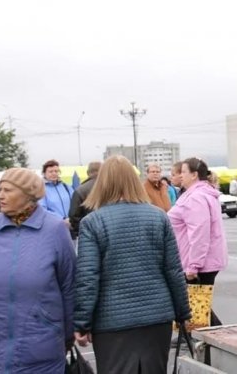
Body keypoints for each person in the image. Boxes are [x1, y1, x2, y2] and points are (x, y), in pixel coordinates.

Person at [73, 156, 191, 373]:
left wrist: (82, 322)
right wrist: (183, 312)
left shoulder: (92, 222)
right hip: (157, 318)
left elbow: (88, 277)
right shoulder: (159, 217)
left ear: (102, 183)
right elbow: (173, 270)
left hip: (111, 323)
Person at [0, 168, 76, 373]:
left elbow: (70, 286)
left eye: (8, 190)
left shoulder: (55, 229)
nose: (0, 196)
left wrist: (69, 333)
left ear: (28, 195)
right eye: (0, 190)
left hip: (42, 351)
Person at [168, 157, 228, 326]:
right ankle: (209, 339)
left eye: (184, 172)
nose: (181, 176)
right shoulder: (200, 194)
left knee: (197, 309)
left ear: (194, 175)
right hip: (201, 260)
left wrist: (193, 265)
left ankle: (214, 340)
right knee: (199, 308)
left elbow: (200, 232)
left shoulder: (196, 197)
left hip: (199, 263)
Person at [68, 160, 101, 239]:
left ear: (88, 173)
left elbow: (73, 215)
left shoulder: (80, 190)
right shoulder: (113, 187)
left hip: (88, 233)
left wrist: (80, 231)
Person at [41, 159, 74, 227]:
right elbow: (43, 210)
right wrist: (61, 220)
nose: (54, 173)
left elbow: (75, 203)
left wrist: (72, 219)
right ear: (44, 173)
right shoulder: (41, 189)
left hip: (71, 225)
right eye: (50, 171)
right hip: (54, 226)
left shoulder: (66, 187)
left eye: (56, 171)